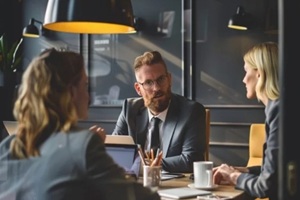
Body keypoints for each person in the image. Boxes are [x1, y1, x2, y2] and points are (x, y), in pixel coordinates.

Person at [0, 48, 159, 200]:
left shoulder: (8, 147)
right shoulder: (82, 146)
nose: (89, 96)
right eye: (85, 85)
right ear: (71, 93)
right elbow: (139, 197)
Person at [112, 50, 206, 173]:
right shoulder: (130, 109)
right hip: (135, 186)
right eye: (148, 83)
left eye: (161, 79)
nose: (156, 88)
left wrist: (151, 165)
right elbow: (114, 152)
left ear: (169, 79)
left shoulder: (191, 111)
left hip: (174, 188)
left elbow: (192, 159)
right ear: (138, 89)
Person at [212, 42, 279, 200]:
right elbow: (275, 172)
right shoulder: (280, 108)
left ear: (260, 73)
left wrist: (234, 176)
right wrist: (244, 171)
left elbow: (265, 187)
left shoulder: (278, 110)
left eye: (246, 71)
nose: (243, 79)